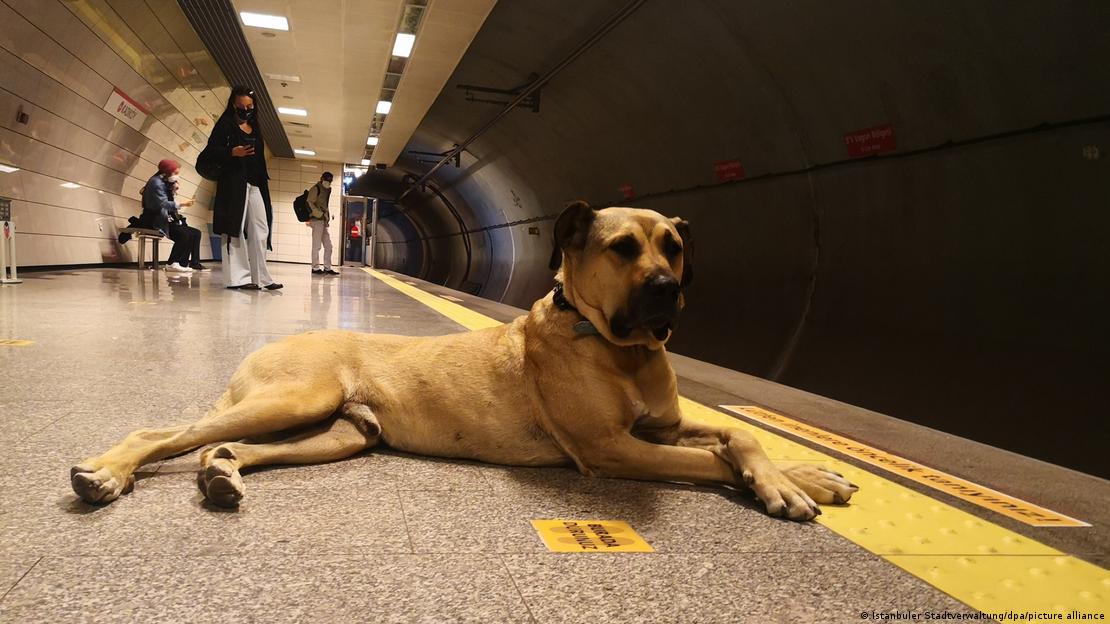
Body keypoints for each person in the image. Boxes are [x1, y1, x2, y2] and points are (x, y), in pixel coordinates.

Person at [199, 86, 282, 291]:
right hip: (233, 183)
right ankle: (237, 278)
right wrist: (232, 152)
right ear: (233, 105)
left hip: (255, 184)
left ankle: (261, 277)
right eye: (241, 106)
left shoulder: (255, 126)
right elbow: (211, 152)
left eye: (249, 106)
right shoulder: (225, 125)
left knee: (261, 229)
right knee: (233, 229)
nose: (246, 110)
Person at [140, 159, 195, 273]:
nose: (177, 176)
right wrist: (182, 204)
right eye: (175, 173)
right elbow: (163, 203)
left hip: (161, 217)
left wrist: (173, 189)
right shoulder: (156, 183)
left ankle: (180, 263)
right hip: (154, 219)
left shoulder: (162, 182)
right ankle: (172, 263)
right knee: (183, 235)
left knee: (190, 234)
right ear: (167, 172)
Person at [307, 172, 339, 275]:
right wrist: (318, 214)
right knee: (316, 246)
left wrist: (326, 217)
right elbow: (309, 202)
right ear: (321, 178)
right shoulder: (315, 188)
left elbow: (325, 205)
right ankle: (315, 268)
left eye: (330, 181)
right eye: (326, 180)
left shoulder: (328, 189)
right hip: (316, 220)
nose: (328, 182)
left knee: (328, 246)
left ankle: (327, 268)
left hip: (323, 220)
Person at [170, 179, 205, 270]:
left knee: (196, 233)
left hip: (176, 223)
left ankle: (193, 262)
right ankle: (178, 262)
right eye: (176, 188)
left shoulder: (172, 197)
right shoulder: (165, 196)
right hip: (169, 224)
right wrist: (182, 204)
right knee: (187, 233)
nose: (177, 190)